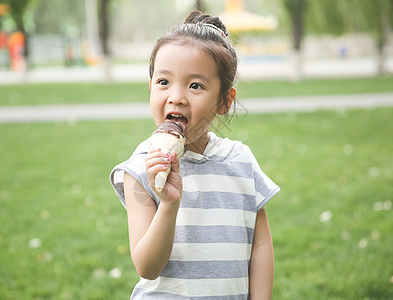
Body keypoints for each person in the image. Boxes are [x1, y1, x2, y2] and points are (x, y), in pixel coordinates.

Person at [110, 10, 280, 299]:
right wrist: (168, 204)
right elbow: (147, 267)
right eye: (164, 82)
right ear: (150, 88)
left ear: (225, 101)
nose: (176, 96)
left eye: (195, 85)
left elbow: (260, 246)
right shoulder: (140, 168)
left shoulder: (240, 161)